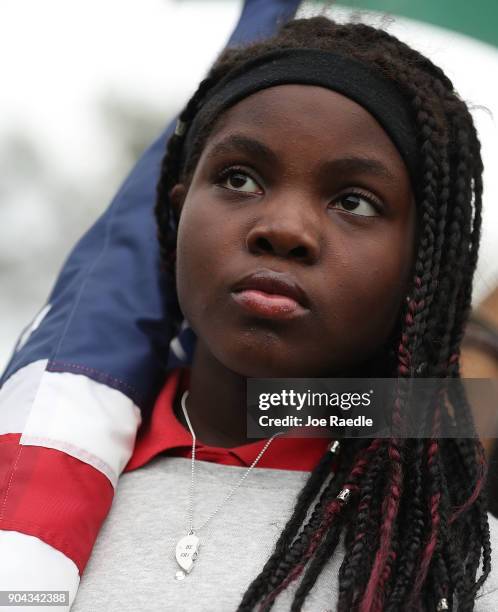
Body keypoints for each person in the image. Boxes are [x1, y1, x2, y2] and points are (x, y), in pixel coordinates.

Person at [49, 14, 498, 611]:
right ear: (180, 212)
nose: (284, 229)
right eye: (239, 178)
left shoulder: (457, 571)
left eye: (355, 201)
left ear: (420, 266)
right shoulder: (36, 471)